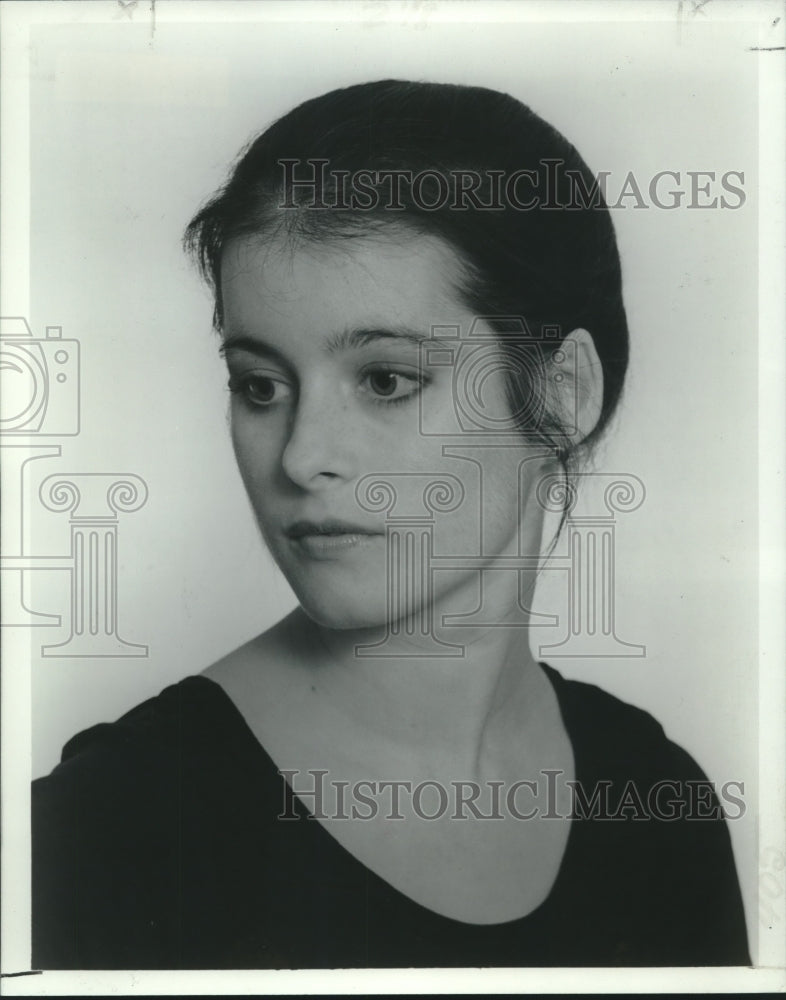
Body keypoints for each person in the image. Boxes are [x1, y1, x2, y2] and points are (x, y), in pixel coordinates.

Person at [32, 79, 750, 969]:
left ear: (562, 393)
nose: (300, 458)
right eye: (261, 385)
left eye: (385, 381)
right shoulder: (107, 829)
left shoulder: (654, 799)